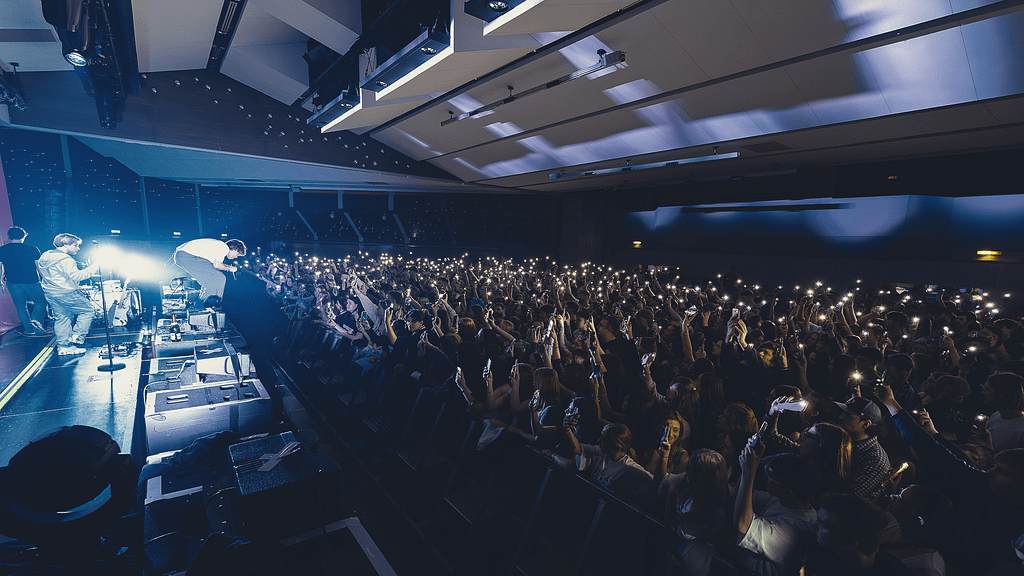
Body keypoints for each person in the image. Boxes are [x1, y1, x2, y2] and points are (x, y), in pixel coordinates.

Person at [37, 233, 99, 356]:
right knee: (87, 310)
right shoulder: (66, 259)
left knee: (62, 318)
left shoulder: (45, 255)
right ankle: (76, 337)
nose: (78, 248)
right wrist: (95, 267)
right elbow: (78, 276)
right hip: (66, 292)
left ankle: (65, 346)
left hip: (51, 292)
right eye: (75, 245)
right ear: (65, 245)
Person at [0, 226, 49, 335]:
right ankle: (36, 321)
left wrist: (0, 282)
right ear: (24, 236)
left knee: (21, 306)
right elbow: (39, 267)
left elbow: (0, 267)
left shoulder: (1, 250)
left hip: (12, 283)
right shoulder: (32, 249)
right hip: (32, 281)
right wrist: (46, 280)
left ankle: (29, 330)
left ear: (9, 237)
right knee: (40, 301)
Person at [173, 238, 246, 307]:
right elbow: (217, 265)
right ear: (234, 249)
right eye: (238, 254)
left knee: (210, 283)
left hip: (183, 256)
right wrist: (230, 268)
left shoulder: (216, 249)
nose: (236, 257)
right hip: (188, 256)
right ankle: (213, 303)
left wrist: (228, 267)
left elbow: (215, 266)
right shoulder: (224, 247)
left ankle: (202, 305)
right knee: (219, 278)